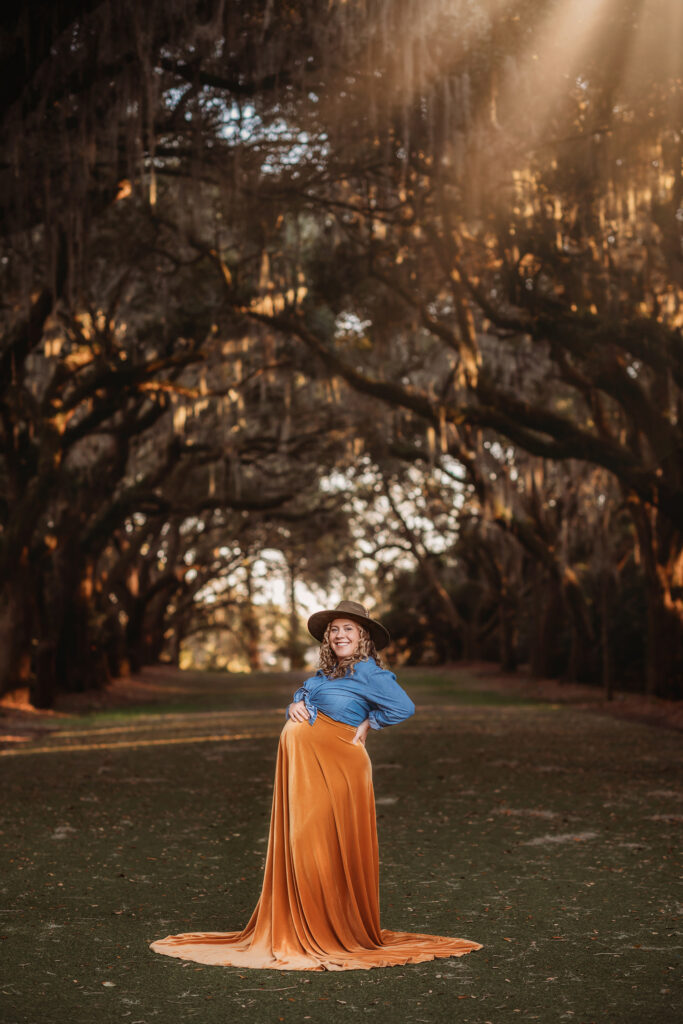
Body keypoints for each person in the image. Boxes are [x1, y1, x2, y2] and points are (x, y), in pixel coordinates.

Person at [149, 600, 483, 971]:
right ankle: (298, 923)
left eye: (349, 630)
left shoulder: (370, 673)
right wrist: (295, 703)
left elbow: (404, 707)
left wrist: (370, 722)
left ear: (364, 638)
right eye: (335, 630)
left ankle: (323, 930)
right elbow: (308, 691)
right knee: (301, 842)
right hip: (305, 769)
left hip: (338, 767)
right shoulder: (329, 672)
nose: (341, 635)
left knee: (319, 843)